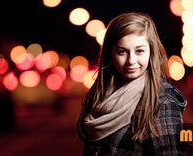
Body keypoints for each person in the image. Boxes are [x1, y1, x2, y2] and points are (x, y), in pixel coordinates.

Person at [77, 12, 187, 156]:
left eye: (139, 51)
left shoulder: (163, 101)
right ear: (110, 53)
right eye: (122, 51)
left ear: (151, 52)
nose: (131, 61)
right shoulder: (99, 96)